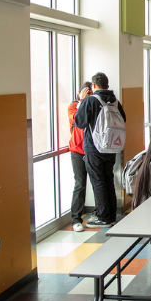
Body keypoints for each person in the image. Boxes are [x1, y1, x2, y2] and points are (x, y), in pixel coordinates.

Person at [73, 72, 127, 227]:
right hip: (111, 146)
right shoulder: (115, 101)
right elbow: (123, 119)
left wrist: (82, 101)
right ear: (108, 86)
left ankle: (103, 217)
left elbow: (79, 122)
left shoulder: (89, 100)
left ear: (93, 86)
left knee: (98, 181)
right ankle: (111, 215)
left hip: (94, 147)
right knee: (108, 179)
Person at [67, 82, 92, 232]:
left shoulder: (94, 106)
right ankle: (76, 219)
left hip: (92, 150)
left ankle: (98, 213)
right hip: (77, 150)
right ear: (79, 93)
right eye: (85, 94)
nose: (88, 97)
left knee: (97, 182)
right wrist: (82, 101)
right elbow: (78, 120)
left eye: (90, 94)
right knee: (79, 183)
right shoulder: (73, 106)